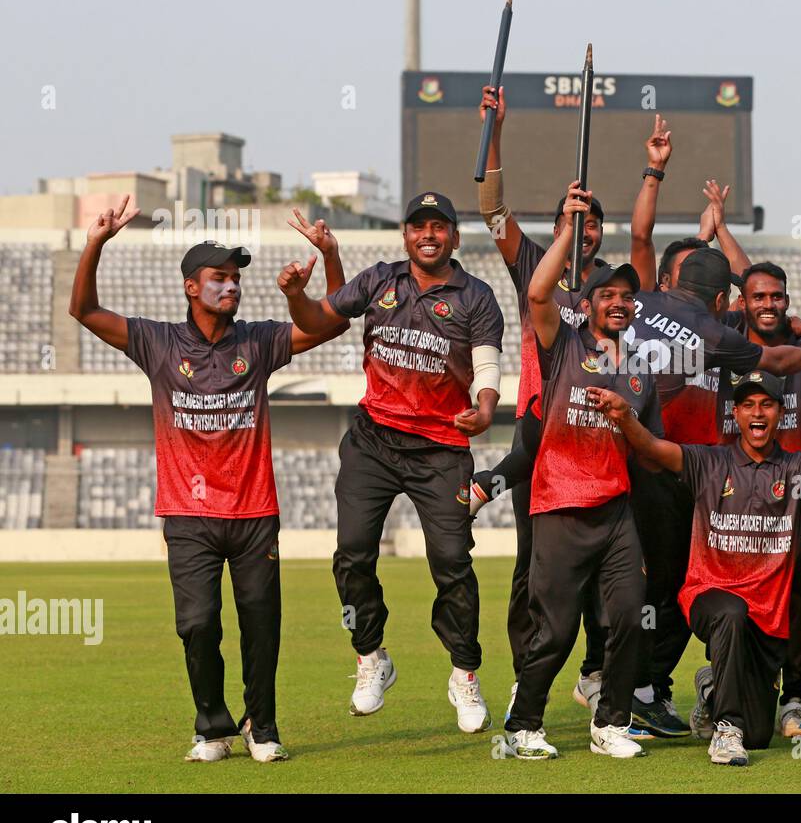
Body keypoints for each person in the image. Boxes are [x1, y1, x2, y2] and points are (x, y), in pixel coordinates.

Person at [69, 196, 347, 763]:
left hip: (254, 515)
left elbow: (336, 320)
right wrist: (95, 242)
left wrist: (331, 256)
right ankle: (211, 727)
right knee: (197, 625)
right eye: (219, 278)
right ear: (191, 287)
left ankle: (262, 728)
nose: (232, 287)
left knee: (261, 627)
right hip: (189, 516)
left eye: (237, 278)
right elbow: (84, 310)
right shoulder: (159, 343)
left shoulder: (260, 341)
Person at [621, 173, 801, 738]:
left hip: (617, 457)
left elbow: (642, 235)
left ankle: (619, 682)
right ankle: (644, 688)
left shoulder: (641, 300)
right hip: (680, 472)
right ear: (726, 303)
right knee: (679, 586)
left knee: (628, 581)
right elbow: (780, 361)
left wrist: (657, 177)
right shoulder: (720, 335)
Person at [279, 191, 504, 733]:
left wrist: (486, 407)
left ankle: (465, 674)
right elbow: (319, 319)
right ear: (405, 235)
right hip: (373, 442)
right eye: (418, 226)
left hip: (441, 450)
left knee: (452, 562)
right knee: (353, 555)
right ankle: (371, 657)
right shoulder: (379, 279)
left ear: (453, 235)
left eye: (439, 227)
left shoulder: (476, 295)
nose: (428, 235)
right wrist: (294, 294)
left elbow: (487, 364)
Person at [591, 371, 801, 765]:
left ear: (779, 413)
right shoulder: (708, 461)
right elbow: (652, 447)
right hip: (708, 595)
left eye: (766, 404)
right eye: (748, 404)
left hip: (766, 616)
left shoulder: (796, 471)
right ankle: (725, 729)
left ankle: (713, 693)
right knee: (730, 615)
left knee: (759, 736)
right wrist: (625, 417)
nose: (757, 412)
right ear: (736, 414)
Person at [501, 184, 655, 760]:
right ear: (587, 303)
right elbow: (538, 290)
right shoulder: (560, 344)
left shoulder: (639, 371)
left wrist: (630, 424)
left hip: (616, 509)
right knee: (557, 630)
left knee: (629, 620)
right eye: (606, 294)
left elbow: (650, 450)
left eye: (626, 297)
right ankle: (523, 725)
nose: (618, 302)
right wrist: (568, 225)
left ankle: (609, 722)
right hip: (561, 505)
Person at [472, 83, 610, 715]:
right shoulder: (533, 261)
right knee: (535, 572)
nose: (581, 230)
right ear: (557, 225)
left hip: (600, 446)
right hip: (542, 441)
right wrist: (495, 130)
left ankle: (598, 673)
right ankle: (527, 680)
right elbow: (492, 208)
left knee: (606, 575)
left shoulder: (613, 287)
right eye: (571, 219)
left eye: (590, 222)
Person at [716, 236, 801, 738]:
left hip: (790, 495)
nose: (769, 305)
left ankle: (795, 698)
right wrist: (721, 237)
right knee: (734, 601)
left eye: (777, 296)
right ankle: (724, 681)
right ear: (742, 303)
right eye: (758, 297)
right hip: (728, 501)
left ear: (788, 301)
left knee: (798, 599)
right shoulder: (723, 348)